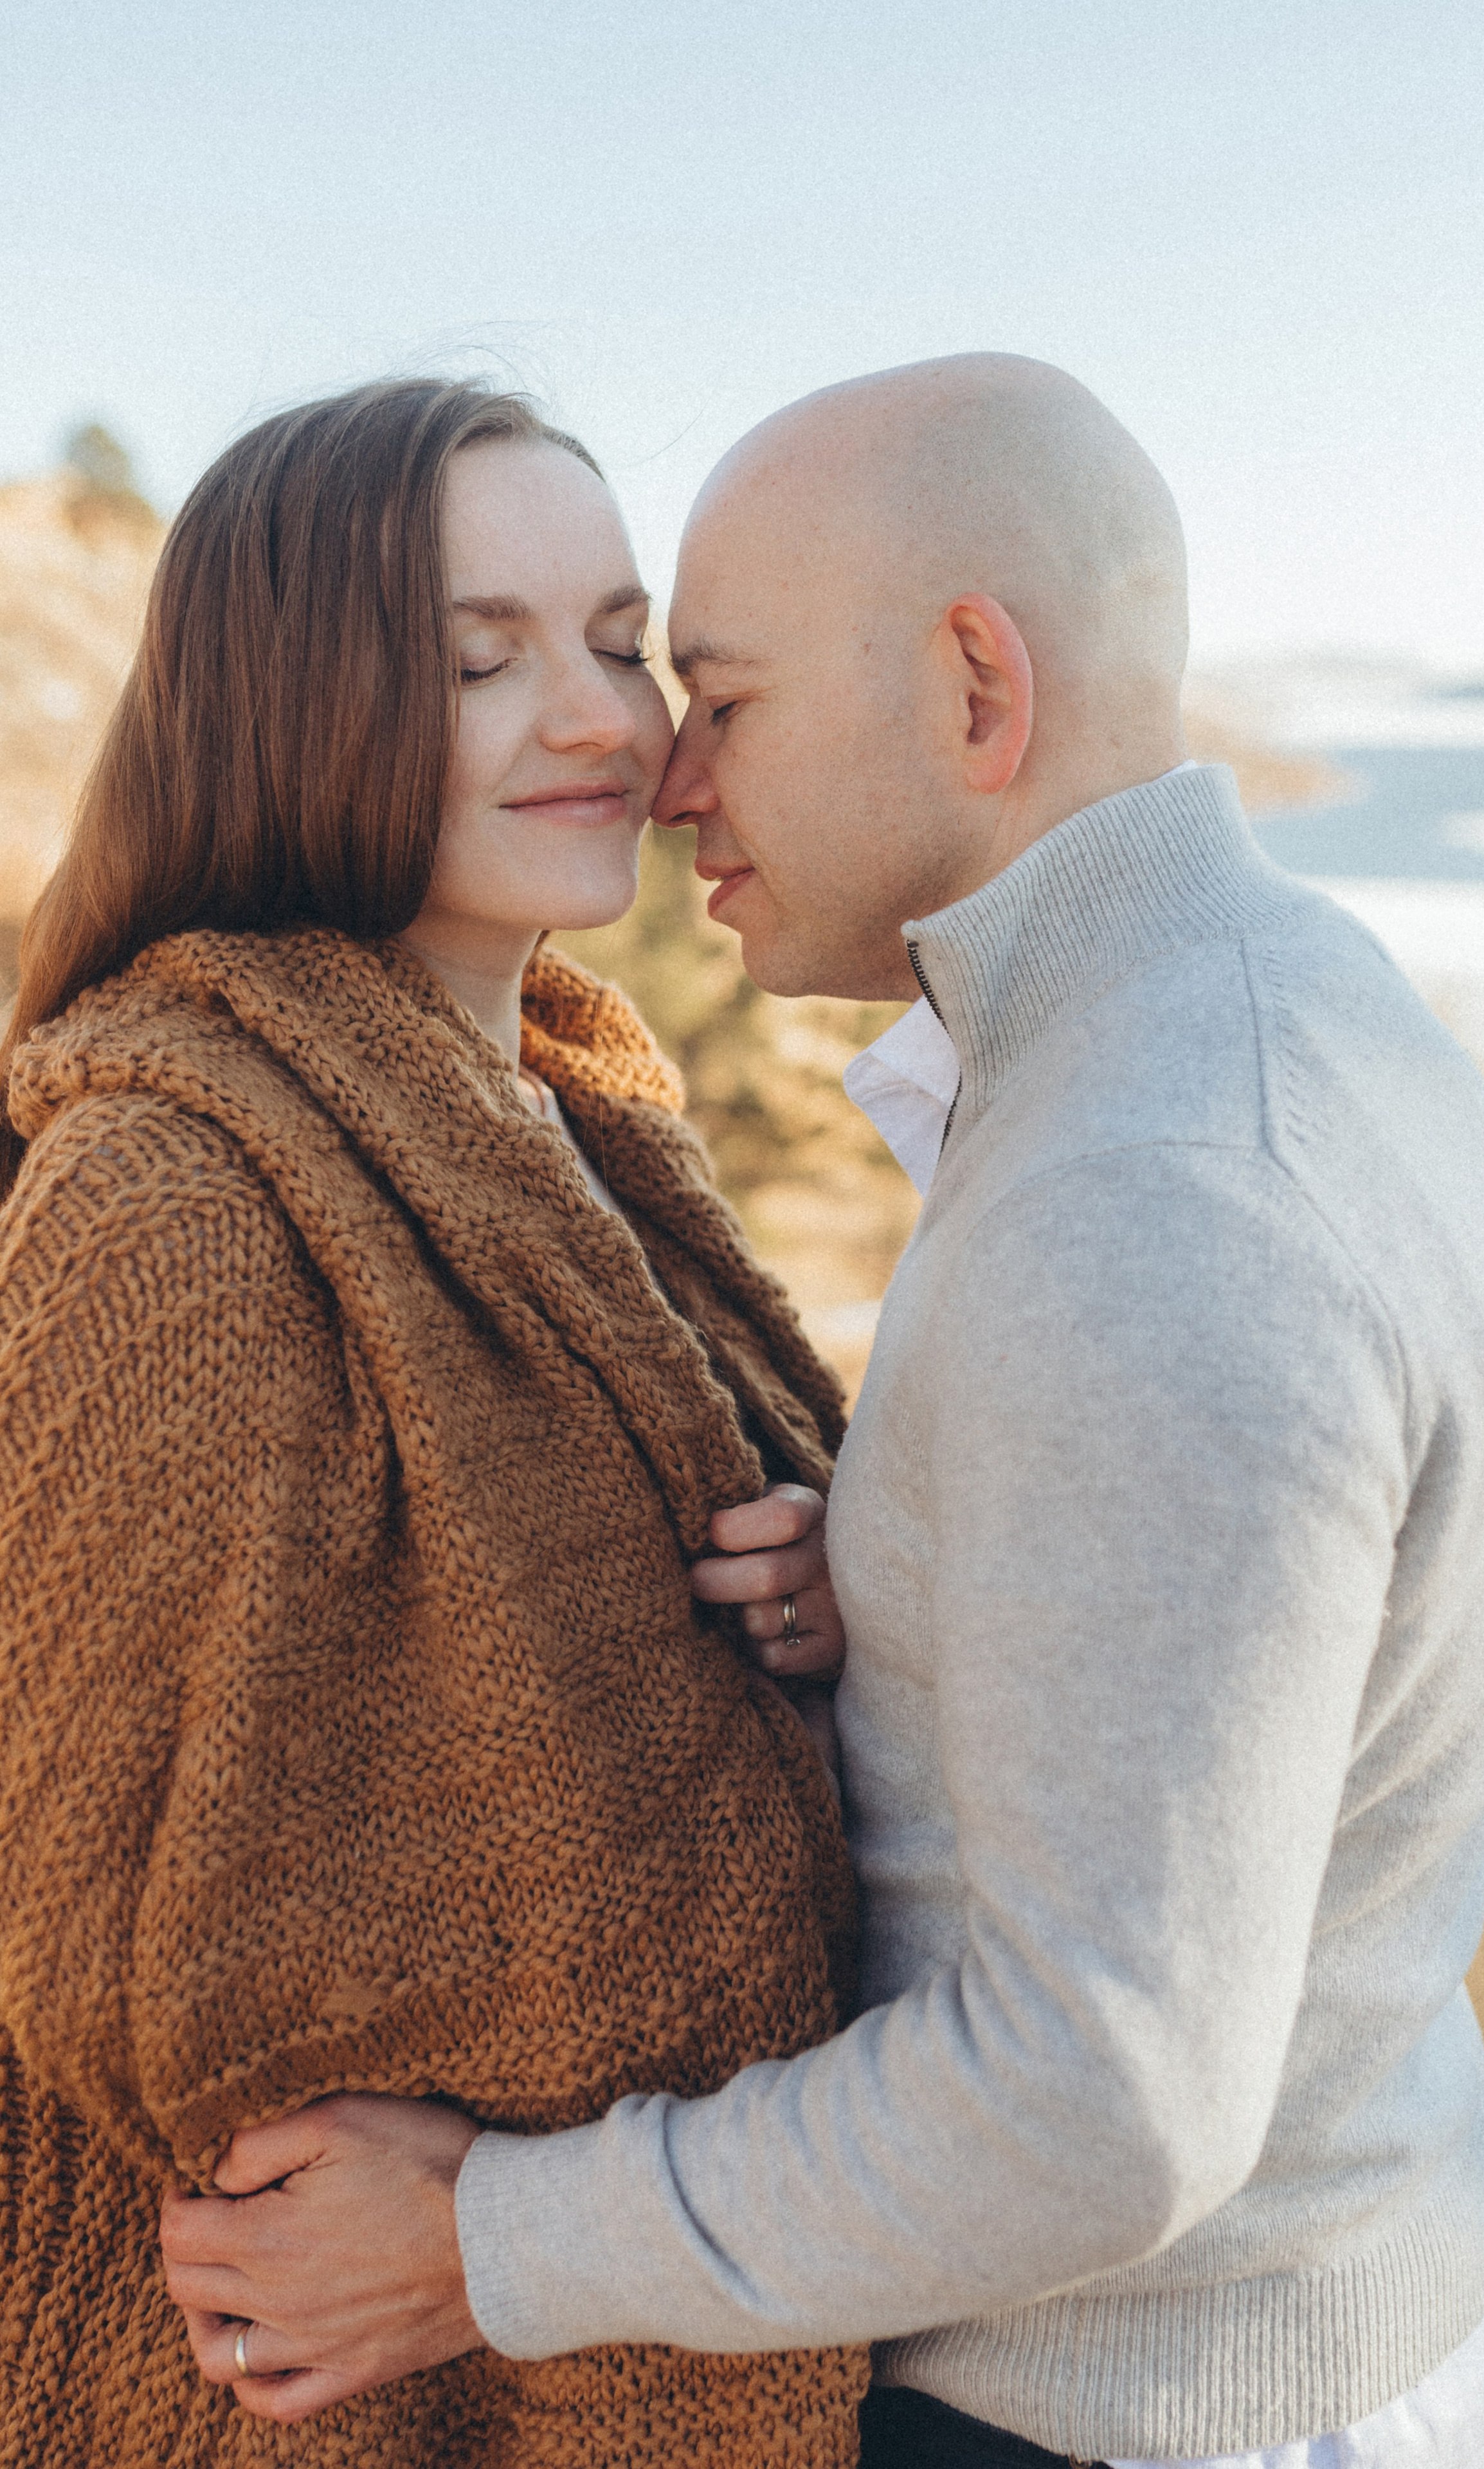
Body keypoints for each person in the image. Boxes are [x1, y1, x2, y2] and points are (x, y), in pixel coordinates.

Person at [160, 356, 1484, 2469]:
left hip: (1115, 2409)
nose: (667, 778)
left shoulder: (1158, 1196)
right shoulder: (1267, 1004)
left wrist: (482, 2242)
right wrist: (914, 1596)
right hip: (1321, 2313)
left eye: (712, 695)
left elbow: (1096, 2108)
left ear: (975, 692)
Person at [0, 376, 871, 2465]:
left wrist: (853, 1594)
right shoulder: (163, 1199)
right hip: (311, 2387)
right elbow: (117, 1938)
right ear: (287, 702)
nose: (603, 721)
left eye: (618, 640)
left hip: (587, 2305)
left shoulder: (585, 1137)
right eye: (480, 661)